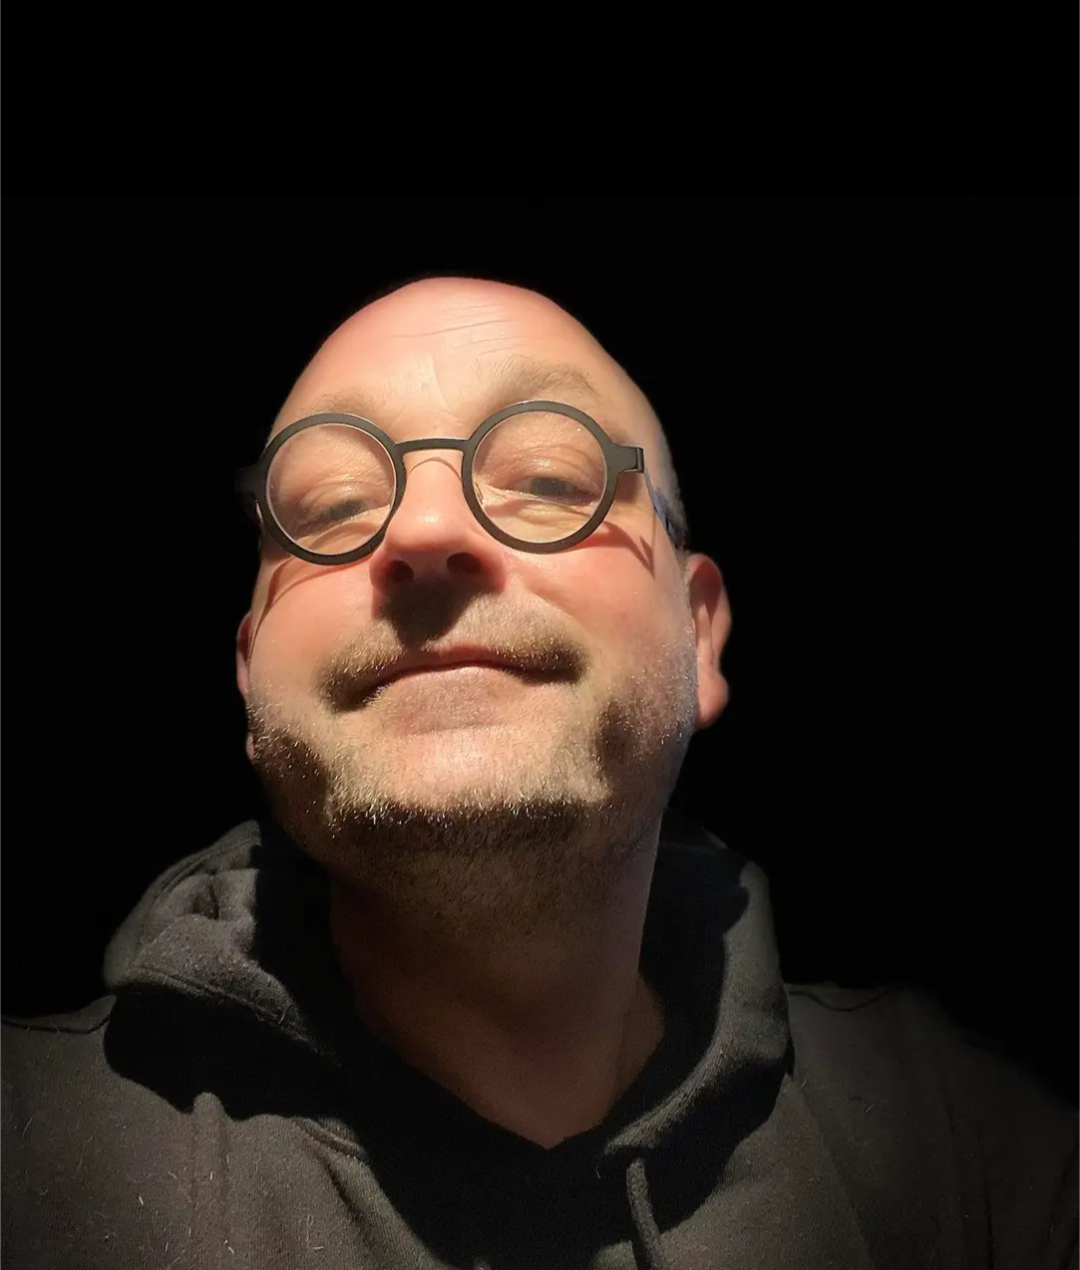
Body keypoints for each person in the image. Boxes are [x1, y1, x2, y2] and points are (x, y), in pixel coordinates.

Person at [1, 276, 1076, 1270]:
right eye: (329, 506)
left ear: (699, 631)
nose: (425, 527)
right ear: (249, 672)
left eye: (551, 478)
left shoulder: (970, 1151)